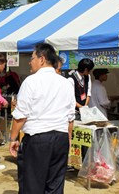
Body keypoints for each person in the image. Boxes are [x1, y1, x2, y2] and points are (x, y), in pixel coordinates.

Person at [9, 43, 75, 194]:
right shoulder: (66, 83)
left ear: (42, 59)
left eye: (32, 58)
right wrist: (68, 138)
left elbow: (20, 115)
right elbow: (70, 116)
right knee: (55, 185)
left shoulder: (31, 81)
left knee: (32, 185)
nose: (29, 62)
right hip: (60, 138)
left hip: (38, 139)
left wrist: (13, 138)